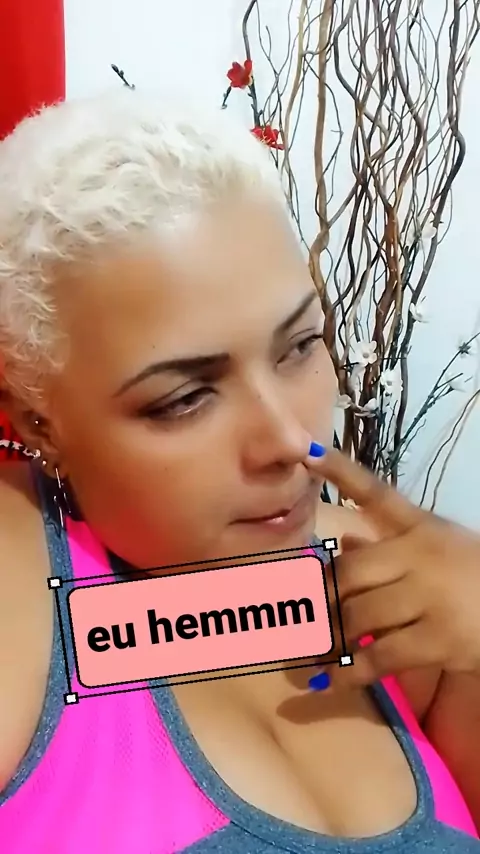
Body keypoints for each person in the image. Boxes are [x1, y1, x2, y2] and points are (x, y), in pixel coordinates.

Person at [0, 89, 479, 854]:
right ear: (37, 422)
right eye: (184, 399)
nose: (288, 441)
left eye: (300, 346)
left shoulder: (401, 586)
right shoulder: (21, 588)